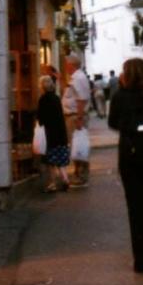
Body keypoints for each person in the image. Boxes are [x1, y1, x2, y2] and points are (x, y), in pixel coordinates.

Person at [107, 57, 143, 273]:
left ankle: (139, 255)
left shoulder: (120, 96)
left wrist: (129, 126)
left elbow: (112, 122)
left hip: (129, 152)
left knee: (133, 203)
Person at [36, 75, 69, 192]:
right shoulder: (56, 98)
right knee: (61, 160)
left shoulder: (43, 99)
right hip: (61, 132)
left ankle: (53, 184)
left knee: (51, 161)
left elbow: (41, 118)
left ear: (42, 86)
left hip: (50, 133)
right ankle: (65, 179)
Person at [62, 56, 92, 186]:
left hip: (75, 116)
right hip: (73, 115)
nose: (65, 67)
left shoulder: (78, 78)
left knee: (79, 146)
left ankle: (81, 175)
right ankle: (78, 173)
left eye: (66, 64)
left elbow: (81, 99)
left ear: (71, 65)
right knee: (76, 146)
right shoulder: (75, 77)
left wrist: (79, 118)